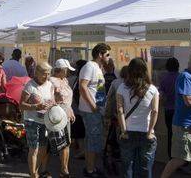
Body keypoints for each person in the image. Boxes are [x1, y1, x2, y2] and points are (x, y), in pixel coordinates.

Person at [116, 58, 159, 178]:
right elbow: (155, 111)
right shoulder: (153, 89)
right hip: (146, 132)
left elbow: (120, 111)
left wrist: (123, 131)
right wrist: (150, 132)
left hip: (128, 132)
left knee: (127, 167)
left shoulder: (122, 88)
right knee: (145, 168)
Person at [79, 42, 111, 177]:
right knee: (93, 140)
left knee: (91, 140)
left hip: (94, 110)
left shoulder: (96, 67)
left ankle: (90, 168)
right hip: (91, 110)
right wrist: (93, 106)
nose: (109, 57)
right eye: (107, 54)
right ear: (100, 55)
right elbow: (83, 86)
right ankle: (90, 170)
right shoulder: (90, 66)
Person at [20, 61, 55, 178]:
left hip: (45, 121)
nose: (47, 76)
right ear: (37, 73)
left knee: (43, 148)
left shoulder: (50, 85)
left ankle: (36, 171)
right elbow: (21, 105)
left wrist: (54, 105)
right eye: (44, 73)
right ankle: (33, 175)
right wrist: (36, 107)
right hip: (32, 121)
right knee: (34, 148)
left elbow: (52, 101)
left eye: (49, 73)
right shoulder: (30, 85)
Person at [49, 59, 76, 178]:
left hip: (65, 113)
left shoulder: (64, 80)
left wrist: (70, 110)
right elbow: (53, 99)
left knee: (65, 142)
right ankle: (62, 170)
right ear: (62, 70)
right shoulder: (51, 81)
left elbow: (67, 100)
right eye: (67, 70)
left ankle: (64, 169)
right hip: (58, 114)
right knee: (61, 143)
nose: (68, 72)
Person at [158, 57, 180, 159]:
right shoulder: (181, 77)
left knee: (170, 134)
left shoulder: (163, 78)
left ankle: (171, 157)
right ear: (178, 66)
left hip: (168, 110)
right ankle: (180, 159)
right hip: (180, 111)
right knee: (180, 135)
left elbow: (161, 96)